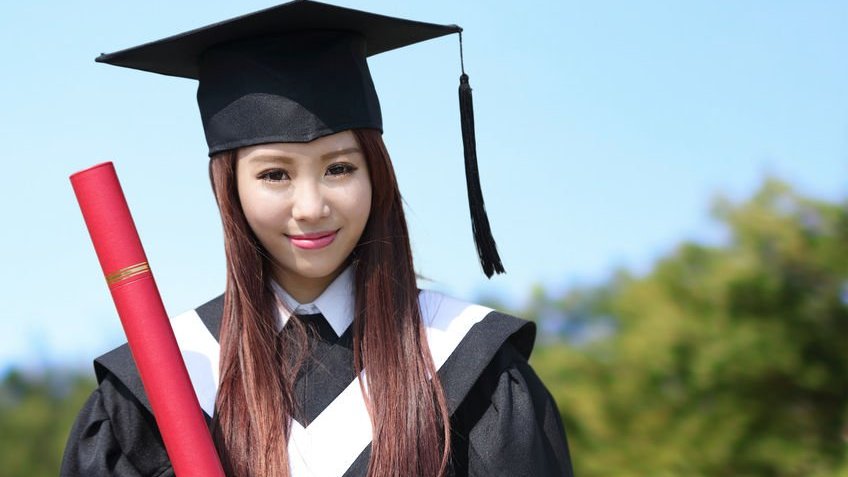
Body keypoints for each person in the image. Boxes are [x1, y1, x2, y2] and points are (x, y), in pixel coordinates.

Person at [60, 1, 574, 476]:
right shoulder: (157, 391)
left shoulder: (471, 370)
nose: (310, 207)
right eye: (274, 175)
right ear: (230, 189)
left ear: (377, 176)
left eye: (340, 168)